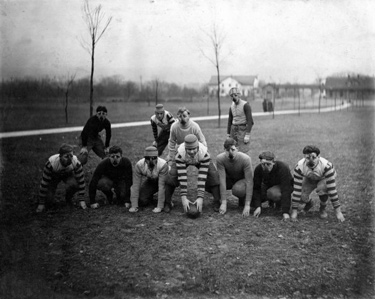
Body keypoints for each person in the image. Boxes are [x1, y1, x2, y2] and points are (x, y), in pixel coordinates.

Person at [164, 134, 220, 214]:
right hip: (184, 159)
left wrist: (200, 197)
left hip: (200, 158)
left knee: (213, 176)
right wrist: (184, 198)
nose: (192, 151)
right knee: (171, 176)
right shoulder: (180, 154)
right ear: (185, 148)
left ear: (198, 147)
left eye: (194, 149)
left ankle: (217, 200)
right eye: (189, 149)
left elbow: (202, 177)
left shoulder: (204, 154)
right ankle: (167, 202)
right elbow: (182, 176)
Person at [290, 145, 345, 222]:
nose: (311, 161)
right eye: (308, 158)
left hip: (324, 177)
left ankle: (323, 208)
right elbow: (296, 190)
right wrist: (294, 212)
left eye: (314, 157)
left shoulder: (326, 166)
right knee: (301, 194)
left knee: (322, 189)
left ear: (319, 156)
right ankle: (309, 202)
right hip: (310, 178)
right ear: (304, 157)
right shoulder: (299, 167)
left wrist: (338, 212)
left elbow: (332, 191)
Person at [36, 144, 87, 213]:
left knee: (74, 184)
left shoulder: (76, 162)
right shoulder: (51, 163)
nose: (69, 159)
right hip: (54, 176)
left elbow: (81, 181)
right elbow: (44, 183)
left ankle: (68, 198)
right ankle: (45, 200)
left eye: (71, 156)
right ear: (60, 156)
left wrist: (82, 200)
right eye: (66, 156)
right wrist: (41, 203)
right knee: (48, 201)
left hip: (68, 175)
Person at [216, 138, 254, 217]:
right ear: (224, 150)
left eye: (233, 150)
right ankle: (218, 200)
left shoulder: (245, 159)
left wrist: (247, 205)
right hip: (230, 179)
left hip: (242, 180)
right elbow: (222, 180)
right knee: (215, 181)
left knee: (238, 189)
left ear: (237, 149)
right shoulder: (220, 159)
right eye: (227, 150)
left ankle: (243, 199)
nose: (230, 153)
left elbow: (249, 181)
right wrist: (224, 202)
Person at [252, 151, 293, 220]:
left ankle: (279, 204)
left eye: (268, 164)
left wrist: (285, 212)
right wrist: (258, 206)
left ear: (274, 162)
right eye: (263, 164)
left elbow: (286, 189)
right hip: (267, 186)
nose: (265, 167)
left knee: (273, 193)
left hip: (282, 186)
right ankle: (270, 201)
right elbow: (256, 188)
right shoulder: (258, 169)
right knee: (252, 201)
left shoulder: (283, 168)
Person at [129, 146, 169, 213]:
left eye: (153, 158)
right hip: (152, 180)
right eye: (148, 158)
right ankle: (150, 196)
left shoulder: (163, 165)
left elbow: (162, 186)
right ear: (144, 158)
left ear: (157, 157)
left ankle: (168, 200)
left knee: (165, 201)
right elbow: (135, 185)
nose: (151, 161)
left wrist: (159, 207)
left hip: (166, 181)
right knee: (142, 200)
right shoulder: (139, 165)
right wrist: (134, 206)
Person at [227, 87, 254, 154]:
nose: (234, 97)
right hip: (233, 130)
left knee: (243, 151)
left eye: (235, 95)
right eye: (231, 96)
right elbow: (229, 121)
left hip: (242, 129)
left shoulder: (246, 105)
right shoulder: (231, 107)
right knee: (233, 150)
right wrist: (228, 134)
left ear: (239, 95)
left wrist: (247, 134)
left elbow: (250, 121)